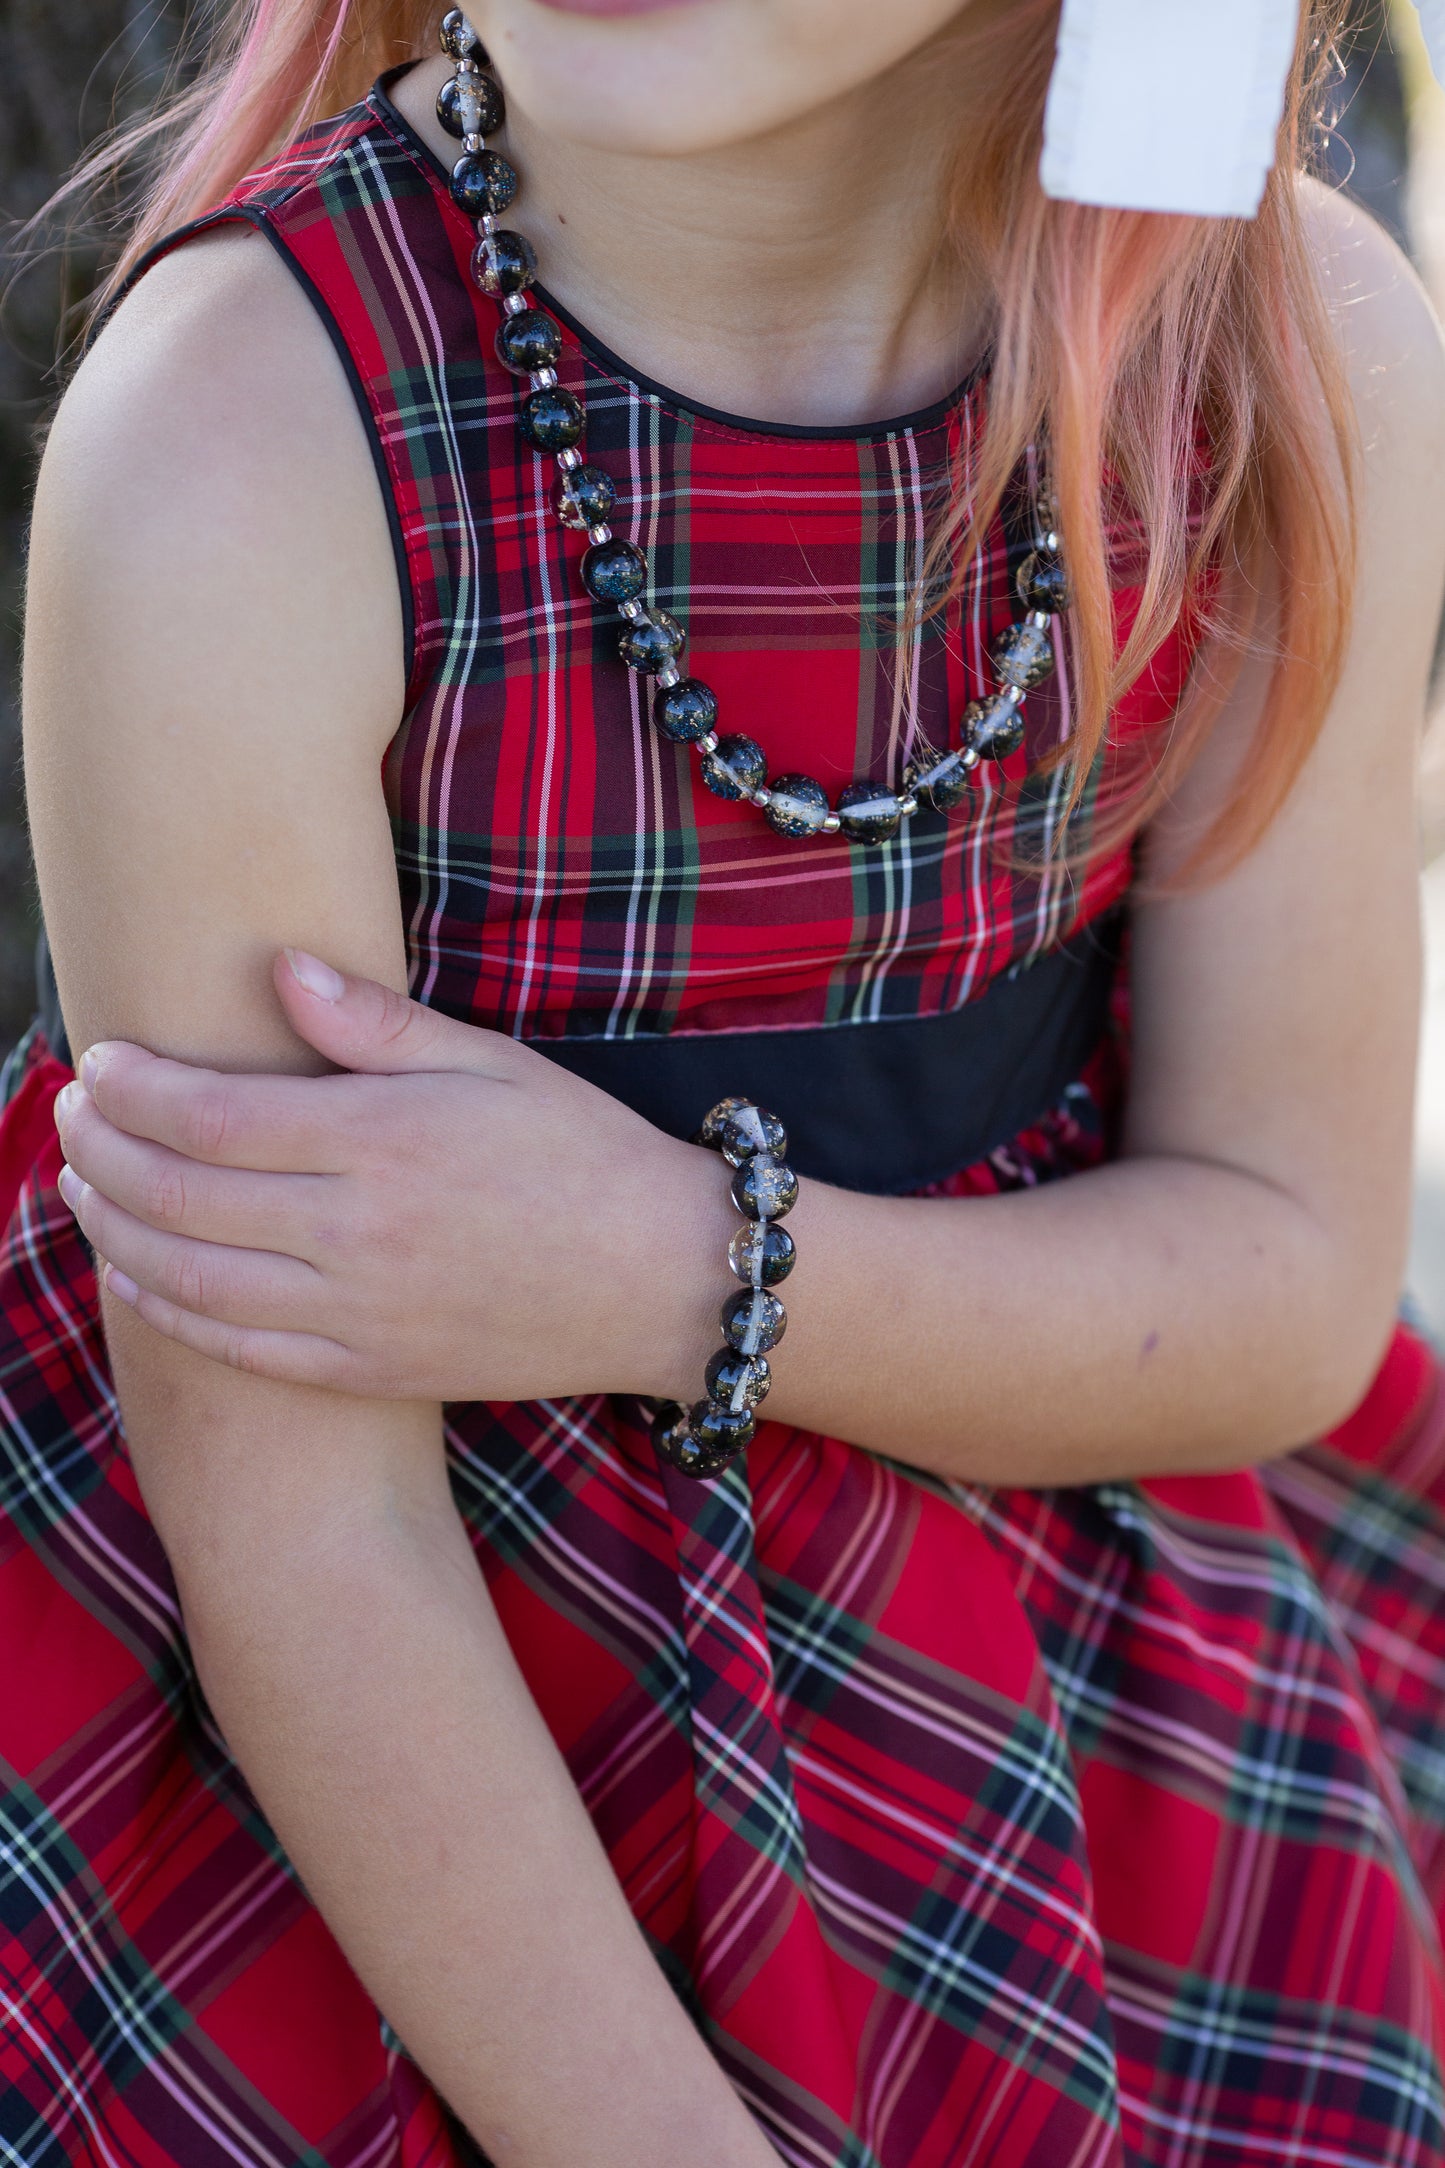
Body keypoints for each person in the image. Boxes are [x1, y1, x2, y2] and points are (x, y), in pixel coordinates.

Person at [4, 0, 1445, 2159]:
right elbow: (305, 1524)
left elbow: (1292, 1277)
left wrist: (674, 1263)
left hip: (1050, 1680)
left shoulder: (1291, 360)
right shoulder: (243, 434)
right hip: (386, 1806)